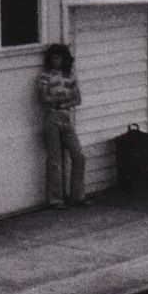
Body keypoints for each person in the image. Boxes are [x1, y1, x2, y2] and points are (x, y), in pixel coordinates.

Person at [38, 43, 87, 209]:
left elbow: (78, 99)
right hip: (52, 118)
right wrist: (64, 100)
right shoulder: (45, 76)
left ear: (64, 59)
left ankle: (77, 196)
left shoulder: (70, 76)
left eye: (58, 58)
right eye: (53, 58)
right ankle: (55, 199)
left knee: (79, 156)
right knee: (55, 160)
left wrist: (62, 101)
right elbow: (45, 98)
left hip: (66, 118)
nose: (55, 61)